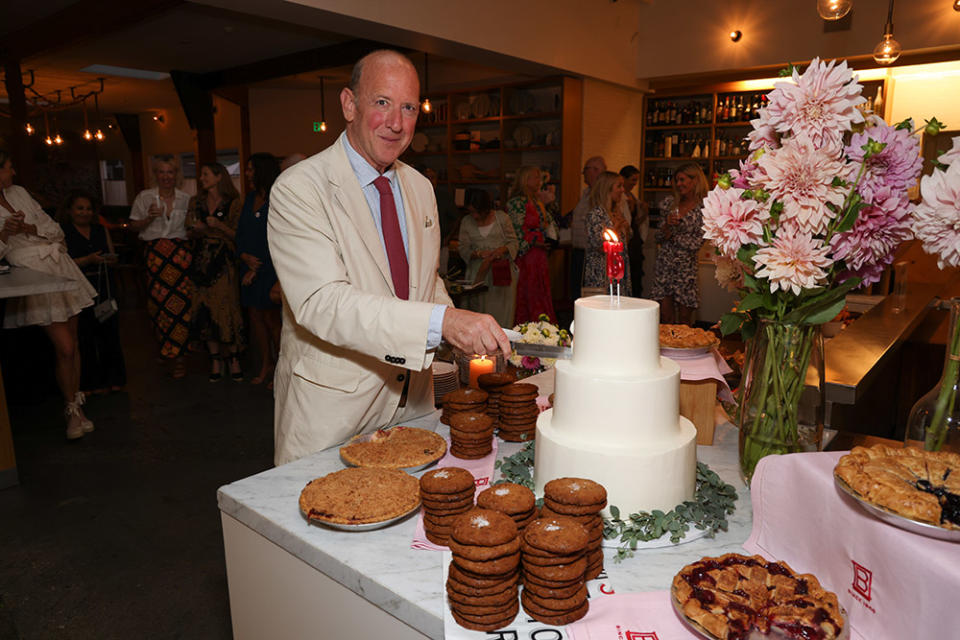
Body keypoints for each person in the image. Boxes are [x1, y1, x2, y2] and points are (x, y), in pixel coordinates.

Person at [267, 50, 510, 465]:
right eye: (382, 102)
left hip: (414, 407)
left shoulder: (419, 188)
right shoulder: (299, 189)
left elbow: (426, 282)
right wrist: (445, 323)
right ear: (349, 104)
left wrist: (459, 339)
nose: (396, 123)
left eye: (409, 107)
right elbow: (323, 303)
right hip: (333, 416)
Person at [0, 151, 97, 439]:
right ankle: (71, 409)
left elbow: (54, 230)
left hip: (59, 266)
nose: (13, 172)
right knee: (64, 346)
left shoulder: (18, 192)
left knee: (74, 343)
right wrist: (5, 233)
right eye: (8, 167)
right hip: (32, 272)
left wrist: (28, 227)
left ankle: (76, 407)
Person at [129, 154, 193, 378]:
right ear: (155, 175)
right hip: (155, 257)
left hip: (180, 257)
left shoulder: (186, 198)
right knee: (159, 306)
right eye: (162, 172)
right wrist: (147, 219)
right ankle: (167, 350)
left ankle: (180, 357)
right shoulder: (145, 197)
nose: (166, 177)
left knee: (182, 307)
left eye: (170, 172)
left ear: (176, 175)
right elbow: (134, 226)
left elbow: (191, 228)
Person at [60, 190, 127, 394]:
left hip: (103, 285)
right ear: (70, 211)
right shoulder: (64, 231)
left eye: (88, 209)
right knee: (85, 336)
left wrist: (111, 258)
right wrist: (87, 260)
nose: (85, 212)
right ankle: (89, 383)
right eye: (80, 208)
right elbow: (63, 263)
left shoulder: (99, 229)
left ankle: (114, 379)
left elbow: (110, 253)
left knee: (110, 334)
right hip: (79, 288)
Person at [186, 162, 244, 382]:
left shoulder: (234, 203)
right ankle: (215, 360)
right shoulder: (196, 202)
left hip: (223, 264)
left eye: (206, 174)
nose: (202, 178)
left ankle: (234, 358)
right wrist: (198, 230)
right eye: (201, 175)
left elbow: (239, 235)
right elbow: (188, 230)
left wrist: (218, 226)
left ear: (219, 177)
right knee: (204, 311)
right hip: (201, 262)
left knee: (225, 310)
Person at [238, 152, 282, 387]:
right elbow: (241, 232)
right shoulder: (250, 198)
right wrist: (244, 256)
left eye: (250, 169)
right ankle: (266, 364)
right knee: (255, 319)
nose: (247, 173)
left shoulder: (278, 198)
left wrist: (257, 267)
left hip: (271, 268)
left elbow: (279, 237)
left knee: (272, 320)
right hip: (248, 267)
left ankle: (280, 368)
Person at [650, 162, 708, 325]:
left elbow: (696, 243)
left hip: (686, 270)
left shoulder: (704, 208)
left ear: (695, 180)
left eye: (682, 180)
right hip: (665, 267)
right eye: (677, 180)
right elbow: (658, 238)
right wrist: (667, 225)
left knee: (684, 320)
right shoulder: (669, 204)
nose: (678, 184)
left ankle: (685, 350)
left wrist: (674, 237)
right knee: (665, 318)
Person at [457, 189, 519, 327]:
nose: (475, 215)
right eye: (471, 212)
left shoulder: (502, 218)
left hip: (501, 274)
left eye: (477, 212)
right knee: (477, 312)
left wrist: (501, 250)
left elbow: (513, 242)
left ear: (486, 209)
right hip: (478, 274)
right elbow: (463, 248)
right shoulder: (467, 222)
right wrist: (478, 254)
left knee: (501, 313)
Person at [506, 165, 558, 324]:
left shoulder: (536, 201)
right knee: (527, 293)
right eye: (535, 177)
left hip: (539, 256)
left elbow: (548, 221)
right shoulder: (516, 202)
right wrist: (535, 242)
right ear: (525, 179)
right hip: (526, 257)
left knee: (540, 291)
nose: (539, 181)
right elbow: (515, 231)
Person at [583, 171, 633, 296]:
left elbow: (626, 241)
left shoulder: (617, 211)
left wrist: (626, 229)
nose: (622, 190)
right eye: (619, 186)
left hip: (619, 269)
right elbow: (599, 245)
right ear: (607, 189)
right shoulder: (596, 214)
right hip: (602, 272)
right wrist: (616, 227)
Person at [567, 156, 606, 301]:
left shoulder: (601, 194)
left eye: (586, 170)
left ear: (596, 171)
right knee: (576, 291)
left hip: (591, 253)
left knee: (588, 295)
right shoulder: (586, 193)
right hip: (578, 250)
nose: (583, 173)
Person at [619, 165, 648, 297]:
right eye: (632, 179)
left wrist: (643, 212)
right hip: (627, 241)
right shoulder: (620, 198)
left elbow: (635, 222)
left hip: (635, 239)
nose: (635, 183)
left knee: (636, 273)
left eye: (636, 180)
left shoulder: (632, 196)